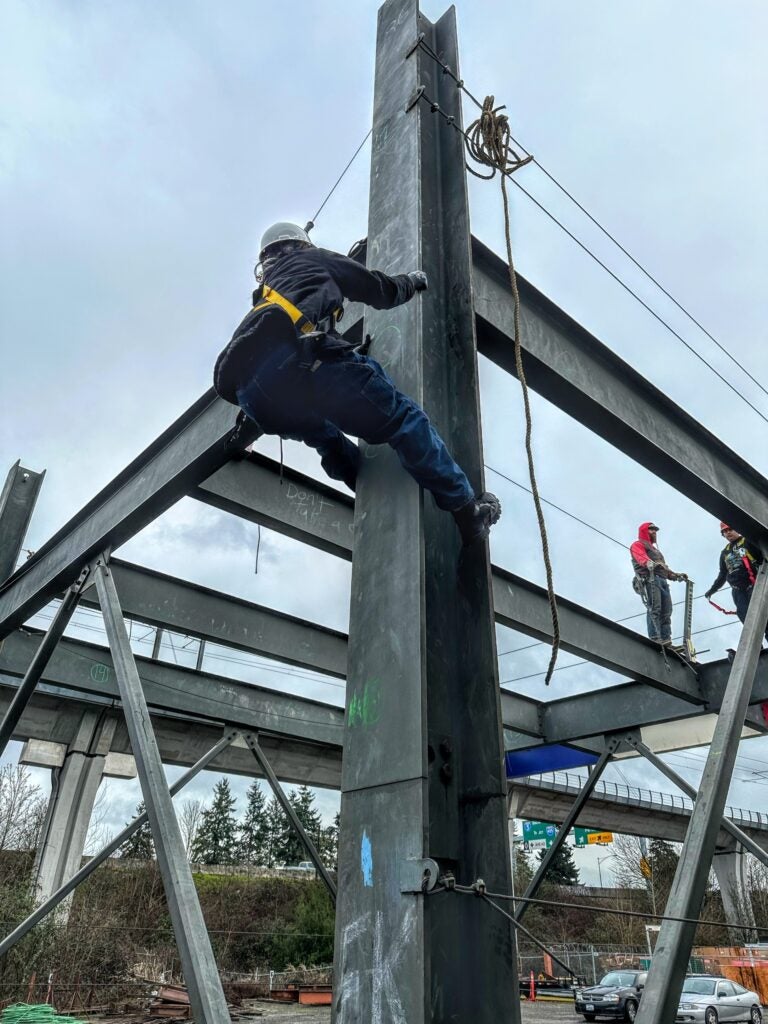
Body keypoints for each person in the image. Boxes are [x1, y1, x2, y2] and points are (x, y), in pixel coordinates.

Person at [213, 222, 501, 545]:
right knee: (403, 418)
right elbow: (378, 289)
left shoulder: (264, 303)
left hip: (258, 401)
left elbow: (274, 364)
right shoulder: (314, 261)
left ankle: (368, 490)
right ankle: (466, 509)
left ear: (264, 264)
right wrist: (410, 283)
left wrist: (239, 440)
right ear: (301, 246)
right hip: (307, 370)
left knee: (325, 437)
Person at [705, 523, 768, 639]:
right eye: (725, 531)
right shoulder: (725, 552)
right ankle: (756, 649)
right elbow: (723, 574)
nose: (728, 532)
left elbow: (762, 558)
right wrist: (712, 590)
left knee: (765, 617)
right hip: (738, 592)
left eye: (730, 529)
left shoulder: (748, 542)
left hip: (754, 585)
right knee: (746, 619)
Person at [630, 521, 686, 645]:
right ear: (644, 531)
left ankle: (666, 638)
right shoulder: (638, 544)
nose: (654, 532)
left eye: (655, 530)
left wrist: (674, 575)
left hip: (662, 580)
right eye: (651, 529)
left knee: (667, 610)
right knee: (655, 608)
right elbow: (641, 557)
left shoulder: (656, 551)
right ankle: (655, 637)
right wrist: (648, 563)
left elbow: (663, 569)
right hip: (650, 579)